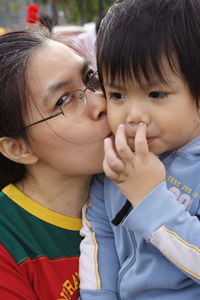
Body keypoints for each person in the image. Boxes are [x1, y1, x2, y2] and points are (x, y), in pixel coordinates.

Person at [79, 0, 200, 299]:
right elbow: (99, 243)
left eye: (156, 93)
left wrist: (150, 198)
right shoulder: (114, 166)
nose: (133, 115)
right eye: (117, 94)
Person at [0, 27, 110, 299]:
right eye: (64, 100)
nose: (101, 103)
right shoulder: (9, 245)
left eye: (91, 79)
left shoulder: (148, 181)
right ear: (18, 148)